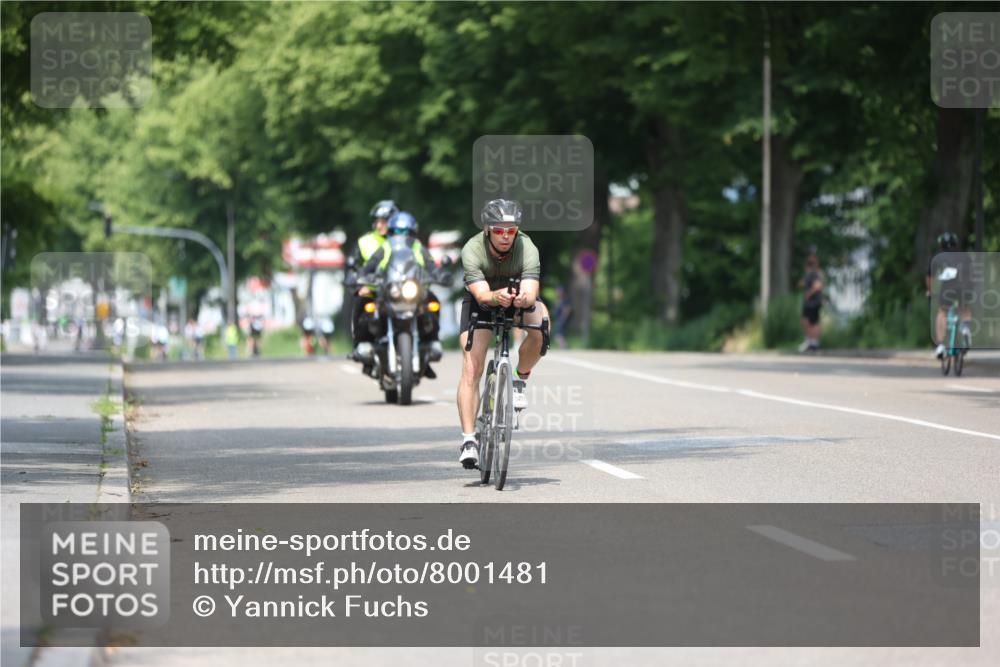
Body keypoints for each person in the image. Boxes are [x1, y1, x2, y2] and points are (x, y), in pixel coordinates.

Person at [456, 199, 550, 469]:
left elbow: (531, 289)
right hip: (483, 301)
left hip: (516, 298)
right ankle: (469, 439)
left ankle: (519, 380)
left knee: (542, 325)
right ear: (487, 230)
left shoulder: (527, 246)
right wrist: (496, 297)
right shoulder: (472, 250)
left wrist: (524, 298)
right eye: (499, 231)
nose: (506, 236)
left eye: (511, 230)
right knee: (471, 368)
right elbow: (482, 294)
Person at [361, 211, 443, 378]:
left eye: (405, 232)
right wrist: (362, 275)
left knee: (433, 302)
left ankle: (432, 341)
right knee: (369, 308)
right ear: (391, 233)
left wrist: (439, 275)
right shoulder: (385, 247)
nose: (401, 236)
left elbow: (431, 266)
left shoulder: (419, 247)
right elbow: (371, 265)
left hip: (413, 290)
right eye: (397, 232)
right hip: (390, 290)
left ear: (412, 232)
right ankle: (367, 344)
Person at [349, 200, 396, 373]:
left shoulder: (404, 241)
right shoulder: (365, 241)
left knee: (428, 300)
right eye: (378, 220)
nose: (380, 224)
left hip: (399, 289)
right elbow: (352, 266)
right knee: (361, 299)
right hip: (374, 290)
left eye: (385, 220)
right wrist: (356, 281)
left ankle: (426, 346)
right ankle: (359, 344)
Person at [926, 232, 973, 359]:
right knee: (964, 309)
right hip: (965, 286)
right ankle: (965, 329)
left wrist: (930, 292)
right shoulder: (965, 256)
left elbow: (930, 277)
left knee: (942, 312)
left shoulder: (938, 256)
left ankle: (941, 346)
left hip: (948, 288)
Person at [797, 252, 824, 352]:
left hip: (812, 303)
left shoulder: (814, 273)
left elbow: (818, 286)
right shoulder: (812, 274)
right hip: (813, 303)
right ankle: (812, 342)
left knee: (809, 322)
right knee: (811, 322)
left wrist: (809, 293)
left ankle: (812, 342)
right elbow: (803, 283)